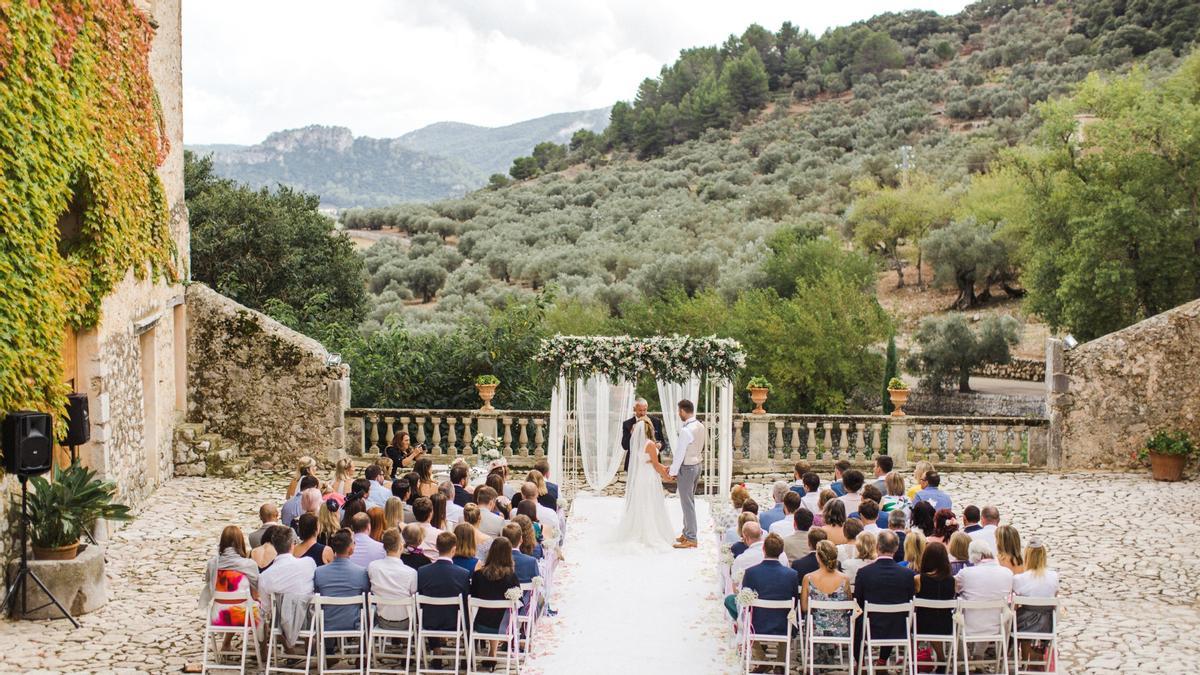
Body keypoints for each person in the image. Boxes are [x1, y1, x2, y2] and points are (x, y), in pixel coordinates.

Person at [853, 530, 914, 665]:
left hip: (871, 626)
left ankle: (860, 662)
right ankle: (882, 660)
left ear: (877, 547)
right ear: (896, 548)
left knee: (857, 616)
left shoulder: (864, 573)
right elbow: (911, 600)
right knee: (893, 616)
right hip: (898, 628)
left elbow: (858, 601)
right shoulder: (907, 574)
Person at [615, 416, 675, 547]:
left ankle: (639, 528)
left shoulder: (638, 444)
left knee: (642, 501)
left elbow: (650, 461)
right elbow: (656, 465)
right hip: (649, 476)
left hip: (640, 476)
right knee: (650, 501)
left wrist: (663, 467)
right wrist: (666, 476)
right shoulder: (650, 444)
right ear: (650, 429)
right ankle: (649, 531)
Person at [731, 534, 799, 644]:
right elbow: (794, 602)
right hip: (783, 626)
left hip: (756, 626)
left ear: (763, 549)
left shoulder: (751, 573)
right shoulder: (792, 575)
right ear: (781, 551)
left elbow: (745, 602)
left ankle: (757, 649)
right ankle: (782, 651)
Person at [200, 525, 262, 643]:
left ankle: (226, 643)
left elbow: (208, 582)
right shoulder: (248, 565)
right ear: (240, 543)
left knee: (233, 602)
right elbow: (257, 591)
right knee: (260, 608)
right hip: (243, 617)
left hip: (218, 617)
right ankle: (263, 651)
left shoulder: (213, 564)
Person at [799, 540, 852, 666]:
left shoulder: (808, 578)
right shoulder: (844, 579)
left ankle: (818, 662)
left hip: (816, 629)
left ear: (818, 557)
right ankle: (826, 660)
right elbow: (848, 605)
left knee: (812, 618)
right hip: (840, 629)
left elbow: (804, 607)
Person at [1012, 538, 1059, 664]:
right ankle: (1034, 656)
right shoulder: (1053, 577)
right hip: (1047, 624)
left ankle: (1016, 657)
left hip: (1024, 624)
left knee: (1012, 620)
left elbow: (1014, 603)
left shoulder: (1019, 579)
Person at [313, 529, 370, 631]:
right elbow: (366, 597)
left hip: (327, 624)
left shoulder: (319, 572)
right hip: (353, 623)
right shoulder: (361, 572)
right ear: (350, 549)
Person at [956, 540, 1014, 638]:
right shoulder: (1007, 573)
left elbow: (954, 588)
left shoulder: (965, 573)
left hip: (969, 627)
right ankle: (980, 649)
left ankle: (964, 649)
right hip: (998, 628)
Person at [416, 532, 471, 632]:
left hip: (429, 622)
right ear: (454, 549)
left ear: (437, 547)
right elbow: (465, 601)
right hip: (455, 623)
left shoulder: (422, 571)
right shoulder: (463, 574)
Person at [668, 399, 704, 549]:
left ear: (683, 411)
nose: (678, 414)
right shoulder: (700, 425)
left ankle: (691, 537)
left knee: (686, 503)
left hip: (687, 467)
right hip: (697, 464)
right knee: (689, 501)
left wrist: (673, 471)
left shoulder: (686, 430)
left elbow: (680, 453)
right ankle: (687, 532)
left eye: (679, 411)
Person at [258, 526, 317, 618]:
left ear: (274, 546)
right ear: (292, 545)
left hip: (280, 622)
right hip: (308, 620)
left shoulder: (264, 576)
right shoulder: (309, 563)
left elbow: (266, 608)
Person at [914, 541, 956, 665]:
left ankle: (911, 655)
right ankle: (941, 658)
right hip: (945, 624)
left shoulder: (918, 579)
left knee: (921, 618)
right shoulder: (952, 581)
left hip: (922, 625)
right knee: (935, 620)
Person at [368, 528, 418, 630]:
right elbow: (414, 595)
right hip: (406, 621)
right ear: (401, 547)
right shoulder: (411, 572)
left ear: (384, 547)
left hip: (382, 620)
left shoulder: (373, 567)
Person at [469, 537, 521, 635]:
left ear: (491, 552)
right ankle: (494, 645)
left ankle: (491, 645)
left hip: (481, 625)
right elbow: (519, 603)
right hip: (504, 626)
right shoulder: (511, 577)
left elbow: (473, 598)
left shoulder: (478, 575)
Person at [620, 397, 663, 471]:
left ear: (647, 408)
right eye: (640, 410)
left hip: (652, 463)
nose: (642, 413)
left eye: (644, 410)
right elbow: (625, 446)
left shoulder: (656, 422)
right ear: (634, 409)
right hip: (634, 463)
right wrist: (631, 433)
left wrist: (660, 445)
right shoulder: (627, 424)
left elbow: (662, 441)